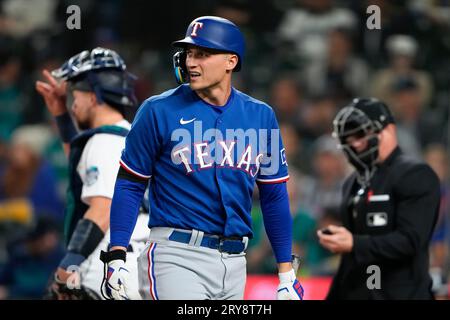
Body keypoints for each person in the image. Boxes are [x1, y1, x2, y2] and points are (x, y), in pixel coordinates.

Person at [100, 16, 304, 300]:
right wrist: (117, 253)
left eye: (203, 54)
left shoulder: (260, 116)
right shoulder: (158, 110)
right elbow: (130, 184)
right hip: (175, 255)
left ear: (231, 61)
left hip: (235, 263)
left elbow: (274, 195)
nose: (191, 62)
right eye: (189, 54)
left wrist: (286, 272)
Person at [35, 47, 148, 300]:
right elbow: (83, 168)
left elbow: (103, 208)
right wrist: (61, 115)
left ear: (94, 96)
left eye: (76, 94)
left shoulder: (104, 141)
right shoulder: (126, 135)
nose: (73, 103)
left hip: (107, 264)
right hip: (132, 262)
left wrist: (67, 266)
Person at [317, 97, 440, 299]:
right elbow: (350, 260)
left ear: (388, 130)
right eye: (348, 139)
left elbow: (411, 240)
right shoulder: (352, 183)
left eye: (360, 135)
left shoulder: (416, 174)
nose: (355, 144)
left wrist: (356, 243)